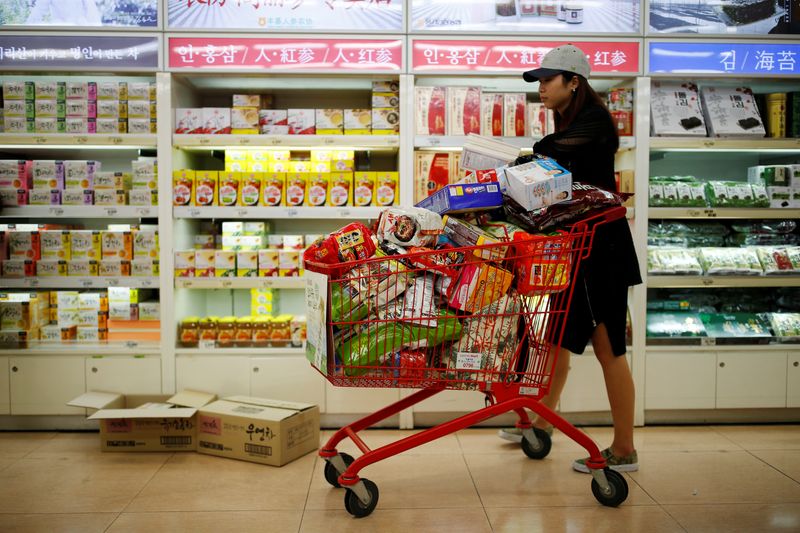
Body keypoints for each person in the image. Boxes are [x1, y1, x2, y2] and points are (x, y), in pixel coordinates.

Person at [497, 44, 643, 473]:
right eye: (539, 81)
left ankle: (624, 447)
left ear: (573, 82)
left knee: (608, 348)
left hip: (603, 252)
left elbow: (549, 152)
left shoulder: (594, 122)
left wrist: (519, 161)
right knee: (559, 337)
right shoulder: (572, 122)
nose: (541, 88)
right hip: (576, 246)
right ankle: (542, 422)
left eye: (548, 80)